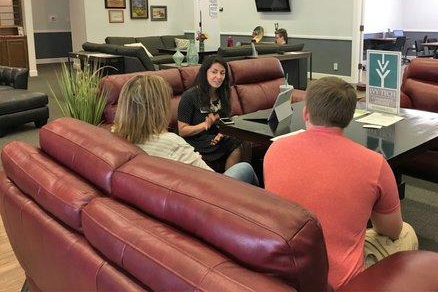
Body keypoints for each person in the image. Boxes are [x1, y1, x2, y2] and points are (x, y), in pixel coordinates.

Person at [263, 77, 417, 289]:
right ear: (349, 116)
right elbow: (391, 230)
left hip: (283, 272)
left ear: (306, 113)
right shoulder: (375, 164)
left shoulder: (274, 151)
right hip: (337, 283)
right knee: (407, 232)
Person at [113, 74, 257, 185]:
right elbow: (212, 180)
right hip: (206, 201)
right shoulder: (172, 143)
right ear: (158, 109)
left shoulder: (116, 136)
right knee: (245, 168)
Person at [178, 56, 245, 173]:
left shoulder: (224, 94)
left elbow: (224, 119)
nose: (218, 77)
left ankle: (239, 180)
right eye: (214, 72)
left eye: (222, 73)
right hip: (196, 140)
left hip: (215, 138)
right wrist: (204, 125)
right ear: (205, 73)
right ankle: (230, 185)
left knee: (243, 138)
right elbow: (182, 130)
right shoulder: (190, 96)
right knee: (235, 143)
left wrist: (223, 132)